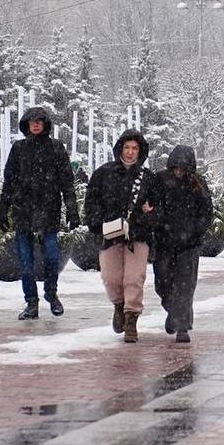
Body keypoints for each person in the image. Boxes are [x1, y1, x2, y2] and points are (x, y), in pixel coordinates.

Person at [0, 106, 79, 321]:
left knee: (51, 258)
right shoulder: (19, 148)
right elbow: (9, 181)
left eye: (39, 120)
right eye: (31, 120)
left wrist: (72, 210)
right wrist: (3, 209)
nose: (35, 124)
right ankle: (31, 302)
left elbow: (67, 182)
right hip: (23, 211)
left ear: (45, 124)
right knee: (25, 262)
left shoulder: (56, 148)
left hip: (49, 210)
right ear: (26, 124)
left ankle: (51, 293)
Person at [84, 128, 155, 344]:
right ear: (120, 149)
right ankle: (118, 305)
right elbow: (92, 202)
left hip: (138, 235)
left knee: (134, 278)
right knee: (111, 277)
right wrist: (99, 223)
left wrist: (148, 214)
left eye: (135, 148)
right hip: (110, 234)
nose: (131, 152)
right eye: (127, 147)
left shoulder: (148, 178)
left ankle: (131, 318)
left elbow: (158, 207)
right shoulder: (104, 173)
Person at [148, 145, 213, 344]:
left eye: (183, 168)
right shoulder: (160, 180)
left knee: (185, 285)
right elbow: (152, 206)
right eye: (175, 168)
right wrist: (157, 221)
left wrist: (195, 230)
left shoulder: (198, 184)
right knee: (162, 282)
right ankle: (173, 311)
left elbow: (206, 212)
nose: (179, 172)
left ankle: (183, 326)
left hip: (189, 244)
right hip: (165, 242)